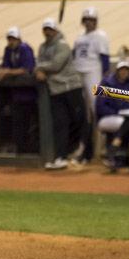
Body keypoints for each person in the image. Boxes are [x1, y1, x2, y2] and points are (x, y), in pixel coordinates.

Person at [35, 18, 85, 170]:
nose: (48, 32)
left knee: (78, 121)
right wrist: (40, 68)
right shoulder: (42, 47)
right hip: (56, 90)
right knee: (60, 124)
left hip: (71, 87)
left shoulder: (63, 45)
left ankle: (81, 155)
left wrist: (40, 68)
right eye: (46, 29)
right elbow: (39, 63)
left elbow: (56, 65)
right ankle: (61, 157)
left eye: (50, 29)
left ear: (56, 30)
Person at [72, 7, 110, 165]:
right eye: (86, 19)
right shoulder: (79, 37)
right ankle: (84, 149)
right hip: (78, 73)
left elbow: (105, 59)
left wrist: (104, 78)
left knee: (97, 109)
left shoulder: (100, 36)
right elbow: (73, 56)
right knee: (82, 113)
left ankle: (103, 149)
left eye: (91, 20)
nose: (89, 22)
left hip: (93, 73)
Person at [0, 27, 38, 154]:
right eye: (9, 39)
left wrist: (8, 72)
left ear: (19, 39)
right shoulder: (8, 50)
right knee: (17, 125)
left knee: (29, 125)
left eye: (13, 39)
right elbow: (4, 67)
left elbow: (27, 69)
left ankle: (30, 153)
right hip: (15, 95)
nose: (11, 41)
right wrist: (6, 71)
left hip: (29, 95)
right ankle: (20, 152)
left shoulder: (25, 49)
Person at [95, 61, 129, 171]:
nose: (124, 72)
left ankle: (117, 157)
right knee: (125, 124)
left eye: (126, 70)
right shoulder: (107, 83)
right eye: (121, 70)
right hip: (106, 118)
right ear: (117, 71)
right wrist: (118, 112)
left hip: (124, 117)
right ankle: (122, 157)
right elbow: (100, 107)